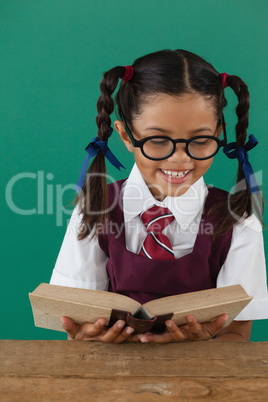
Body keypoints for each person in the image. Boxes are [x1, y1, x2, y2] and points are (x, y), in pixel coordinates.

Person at [50, 49, 268, 343]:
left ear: (220, 133)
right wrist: (87, 336)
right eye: (158, 140)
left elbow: (237, 333)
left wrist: (201, 343)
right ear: (126, 136)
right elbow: (74, 327)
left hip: (202, 382)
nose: (179, 159)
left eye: (201, 140)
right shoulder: (95, 210)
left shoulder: (237, 221)